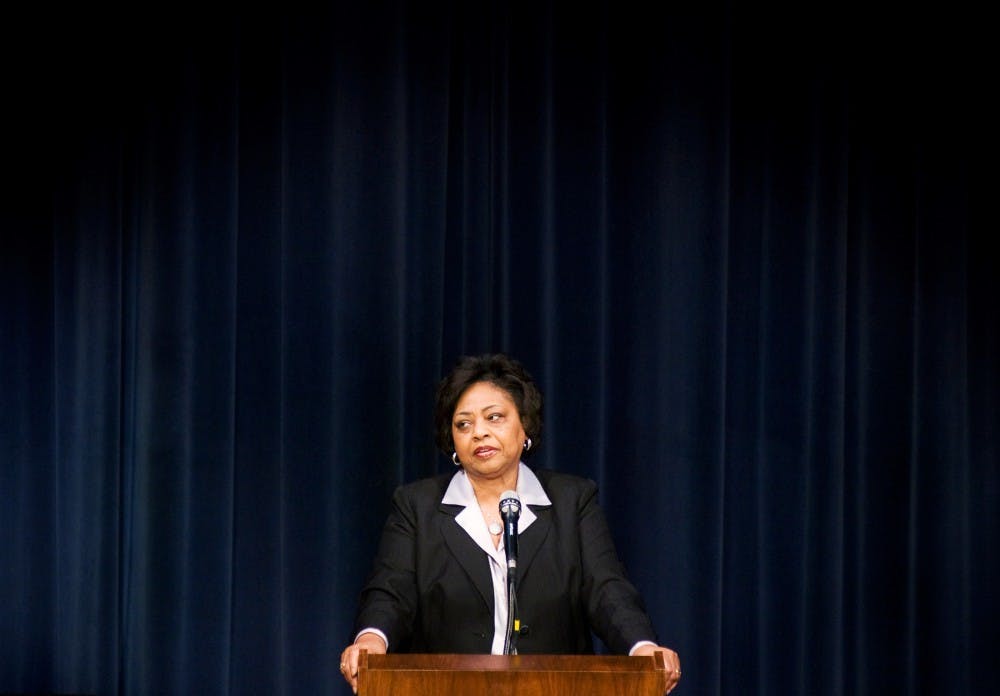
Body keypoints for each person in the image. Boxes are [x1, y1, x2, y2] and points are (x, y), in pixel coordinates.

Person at [338, 353, 681, 693]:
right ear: (452, 439)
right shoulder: (417, 506)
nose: (479, 433)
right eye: (464, 424)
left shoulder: (571, 501)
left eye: (495, 417)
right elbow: (391, 592)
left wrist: (642, 649)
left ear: (525, 426)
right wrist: (372, 639)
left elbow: (607, 590)